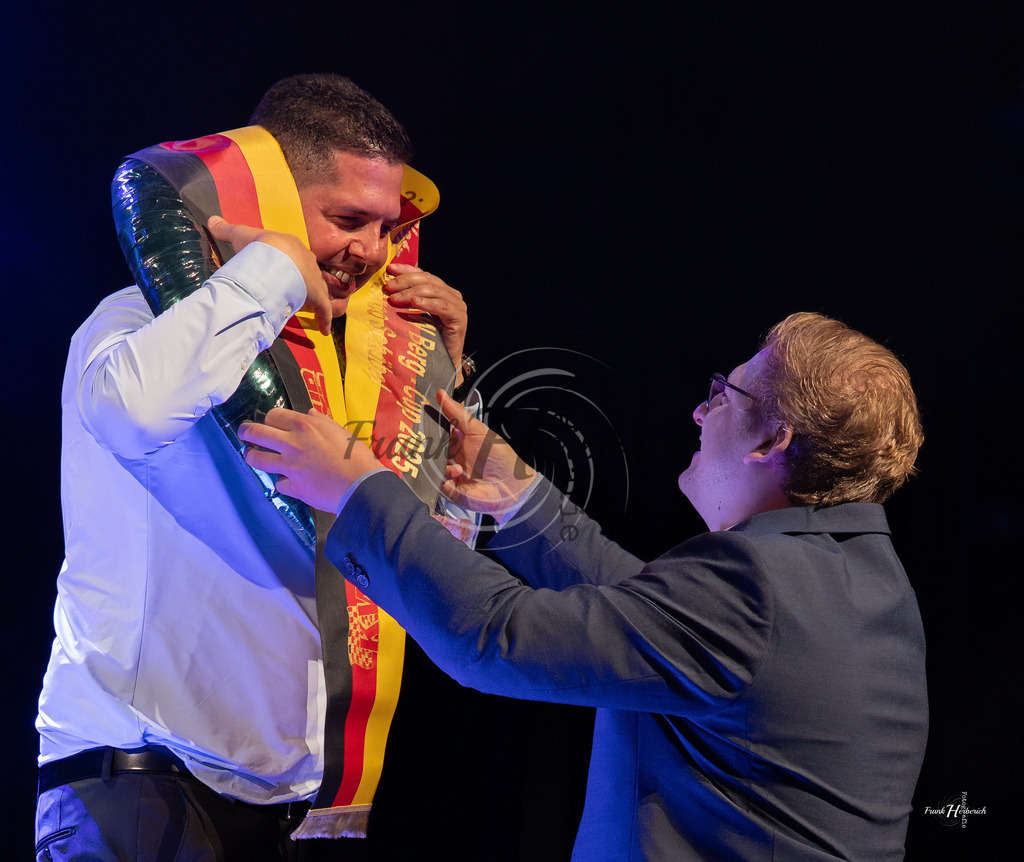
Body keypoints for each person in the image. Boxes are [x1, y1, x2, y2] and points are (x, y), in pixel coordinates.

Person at [238, 312, 929, 861]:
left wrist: (362, 490)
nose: (699, 410)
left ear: (770, 443)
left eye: (726, 393)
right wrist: (519, 498)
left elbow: (495, 637)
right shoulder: (866, 582)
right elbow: (654, 616)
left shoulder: (759, 589)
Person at [35, 74, 471, 860]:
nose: (371, 251)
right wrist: (270, 266)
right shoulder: (133, 317)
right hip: (141, 778)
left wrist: (434, 385)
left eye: (385, 227)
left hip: (295, 807)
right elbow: (135, 410)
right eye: (347, 220)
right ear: (268, 196)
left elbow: (427, 580)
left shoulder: (350, 381)